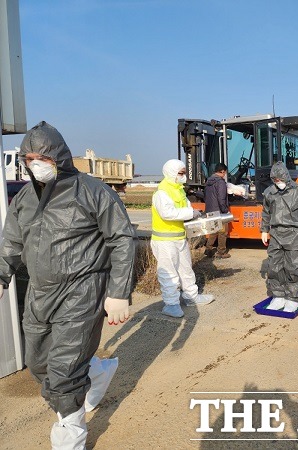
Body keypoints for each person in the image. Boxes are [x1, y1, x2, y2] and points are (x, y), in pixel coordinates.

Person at [0, 122, 136, 449]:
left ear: (58, 157)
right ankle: (99, 371)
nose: (35, 163)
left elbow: (121, 239)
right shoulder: (24, 200)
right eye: (29, 158)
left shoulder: (92, 190)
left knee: (61, 376)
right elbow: (11, 243)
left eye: (41, 157)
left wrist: (118, 293)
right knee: (38, 362)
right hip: (40, 294)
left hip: (82, 292)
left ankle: (69, 438)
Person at [151, 159, 215, 318]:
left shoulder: (179, 190)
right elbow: (167, 213)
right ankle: (171, 304)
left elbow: (186, 209)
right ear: (171, 173)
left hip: (179, 238)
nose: (184, 176)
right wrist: (190, 213)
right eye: (181, 173)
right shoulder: (162, 192)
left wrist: (196, 215)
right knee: (169, 273)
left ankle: (191, 296)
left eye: (184, 173)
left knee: (186, 269)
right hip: (164, 241)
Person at [260, 162, 298, 312]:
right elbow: (266, 212)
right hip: (276, 234)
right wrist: (264, 230)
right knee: (274, 266)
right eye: (275, 180)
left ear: (286, 177)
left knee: (294, 266)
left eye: (280, 179)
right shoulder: (269, 192)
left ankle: (292, 298)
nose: (278, 182)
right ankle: (278, 296)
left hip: (295, 234)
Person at [204, 163, 230, 258]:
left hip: (210, 210)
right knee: (223, 232)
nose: (225, 174)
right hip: (219, 211)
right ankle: (221, 252)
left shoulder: (208, 181)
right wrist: (225, 210)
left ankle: (208, 249)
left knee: (213, 231)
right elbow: (221, 198)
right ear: (222, 171)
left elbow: (205, 196)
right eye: (225, 172)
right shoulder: (220, 182)